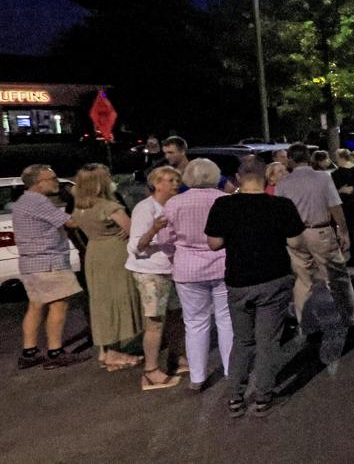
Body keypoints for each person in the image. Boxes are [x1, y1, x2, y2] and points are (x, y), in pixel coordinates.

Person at [205, 160, 305, 418]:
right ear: (266, 178)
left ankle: (235, 397)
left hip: (238, 280)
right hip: (273, 278)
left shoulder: (223, 205)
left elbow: (214, 244)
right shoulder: (281, 205)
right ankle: (262, 397)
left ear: (238, 177)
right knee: (267, 341)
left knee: (242, 340)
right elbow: (295, 241)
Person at [161, 158, 233, 391]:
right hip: (223, 264)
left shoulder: (174, 203)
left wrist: (175, 258)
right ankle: (232, 370)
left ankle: (198, 376)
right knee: (226, 320)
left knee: (194, 323)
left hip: (187, 268)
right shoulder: (224, 200)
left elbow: (164, 239)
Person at [276, 143, 354, 329]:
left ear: (291, 160)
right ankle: (351, 319)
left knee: (303, 280)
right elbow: (335, 206)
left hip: (294, 235)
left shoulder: (283, 182)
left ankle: (307, 324)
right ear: (309, 158)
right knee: (338, 277)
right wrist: (343, 231)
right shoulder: (323, 178)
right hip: (320, 231)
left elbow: (280, 212)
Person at [12, 164, 90, 370]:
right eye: (52, 179)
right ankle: (55, 352)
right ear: (38, 184)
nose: (57, 182)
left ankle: (29, 353)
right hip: (49, 263)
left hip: (31, 263)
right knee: (59, 305)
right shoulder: (38, 201)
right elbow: (71, 222)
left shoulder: (23, 201)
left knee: (36, 305)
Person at [72, 163, 144, 371]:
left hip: (95, 253)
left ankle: (105, 349)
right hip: (114, 255)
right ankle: (114, 351)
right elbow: (134, 229)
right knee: (118, 298)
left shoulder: (81, 207)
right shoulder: (108, 206)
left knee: (100, 301)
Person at [127, 166, 186, 390]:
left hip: (170, 269)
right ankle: (151, 371)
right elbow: (136, 246)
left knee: (176, 315)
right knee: (154, 321)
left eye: (177, 180)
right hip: (150, 271)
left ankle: (175, 357)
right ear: (157, 184)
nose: (175, 184)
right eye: (170, 180)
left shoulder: (172, 205)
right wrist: (153, 230)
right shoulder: (145, 209)